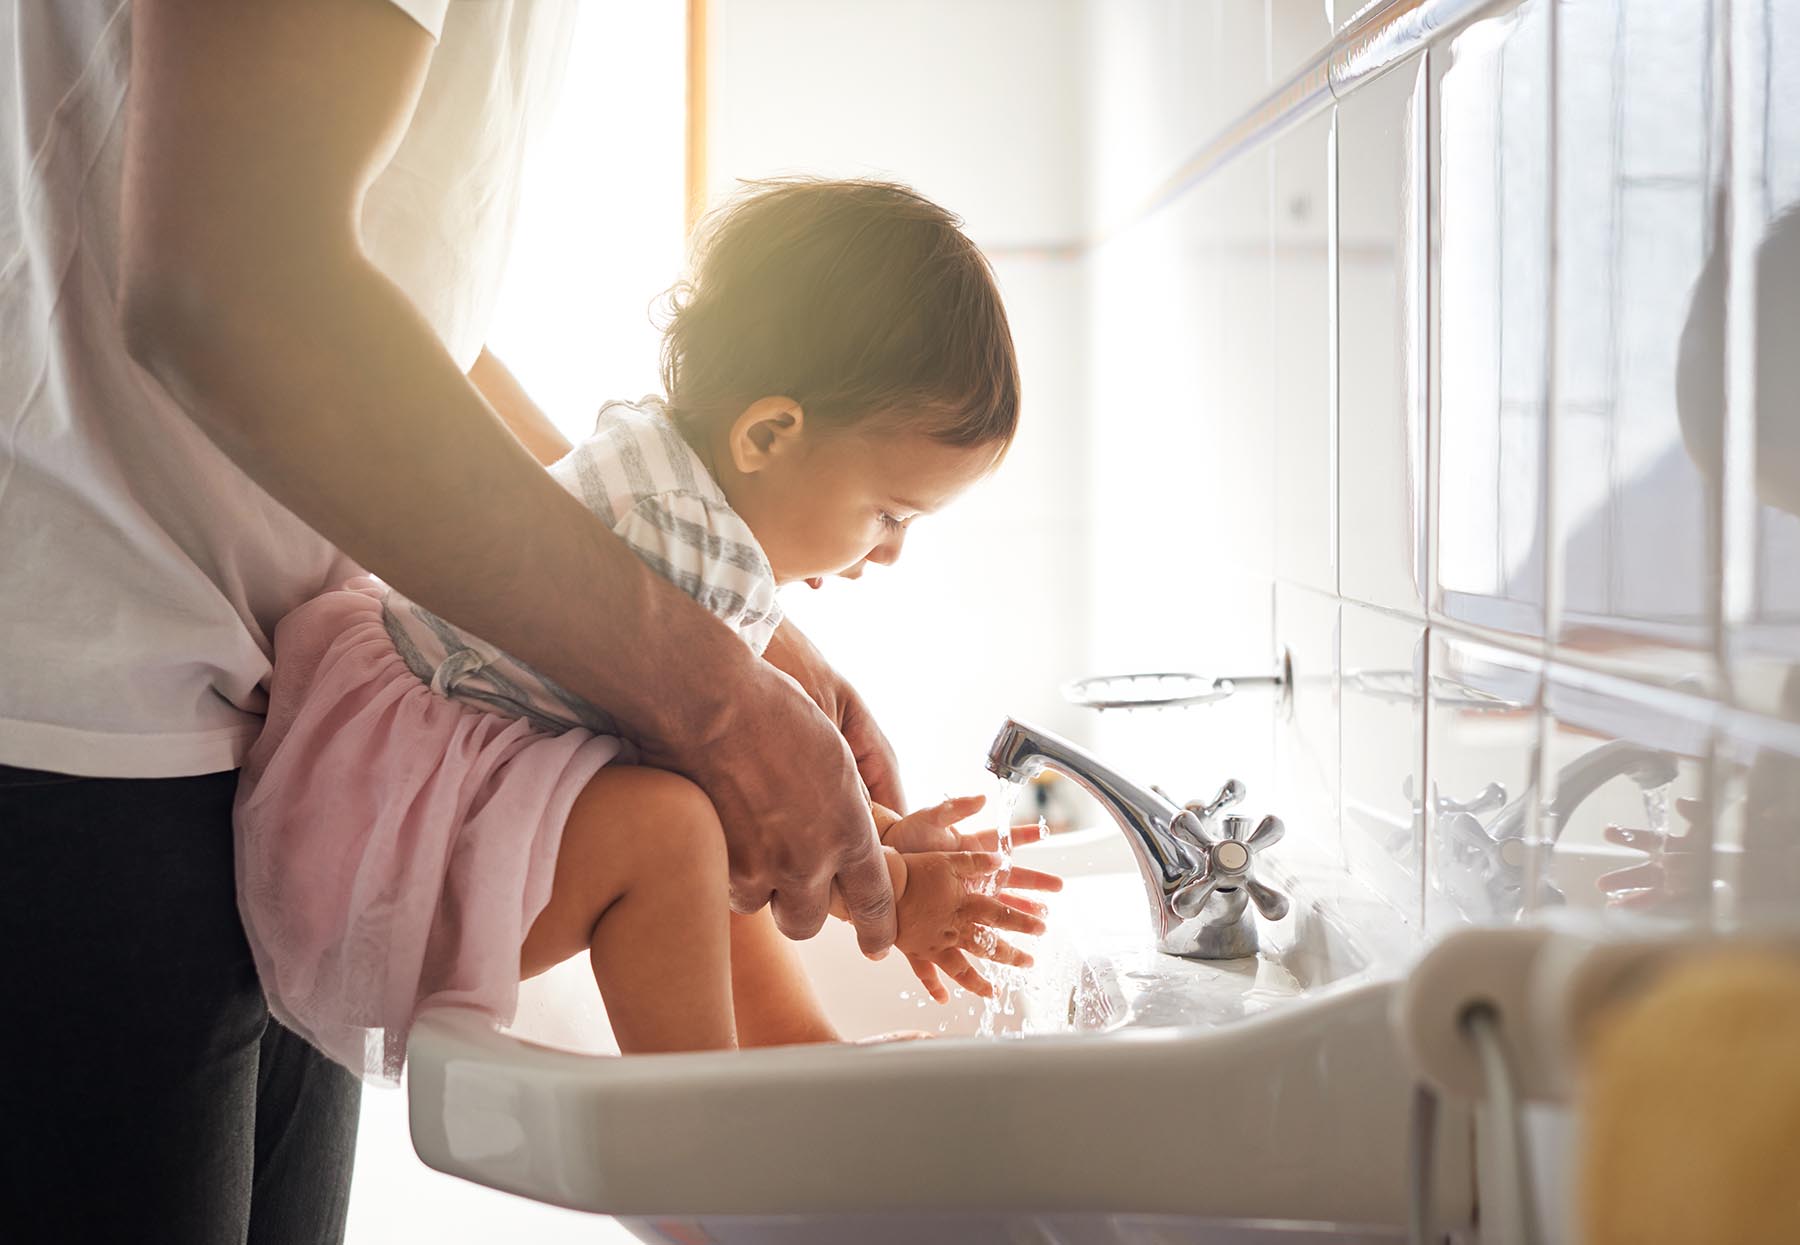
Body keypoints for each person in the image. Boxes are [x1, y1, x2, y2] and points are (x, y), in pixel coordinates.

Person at [1, 3, 899, 1241]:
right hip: (82, 721)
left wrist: (720, 628)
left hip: (273, 700)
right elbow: (231, 288)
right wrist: (711, 692)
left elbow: (388, 307)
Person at [234, 178, 1056, 1075]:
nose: (890, 551)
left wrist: (884, 830)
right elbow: (755, 803)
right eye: (889, 513)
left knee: (705, 803)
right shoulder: (694, 557)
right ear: (769, 435)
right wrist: (893, 888)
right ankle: (698, 1136)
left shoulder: (670, 474)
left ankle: (783, 1052)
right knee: (679, 830)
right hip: (376, 838)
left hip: (378, 775)